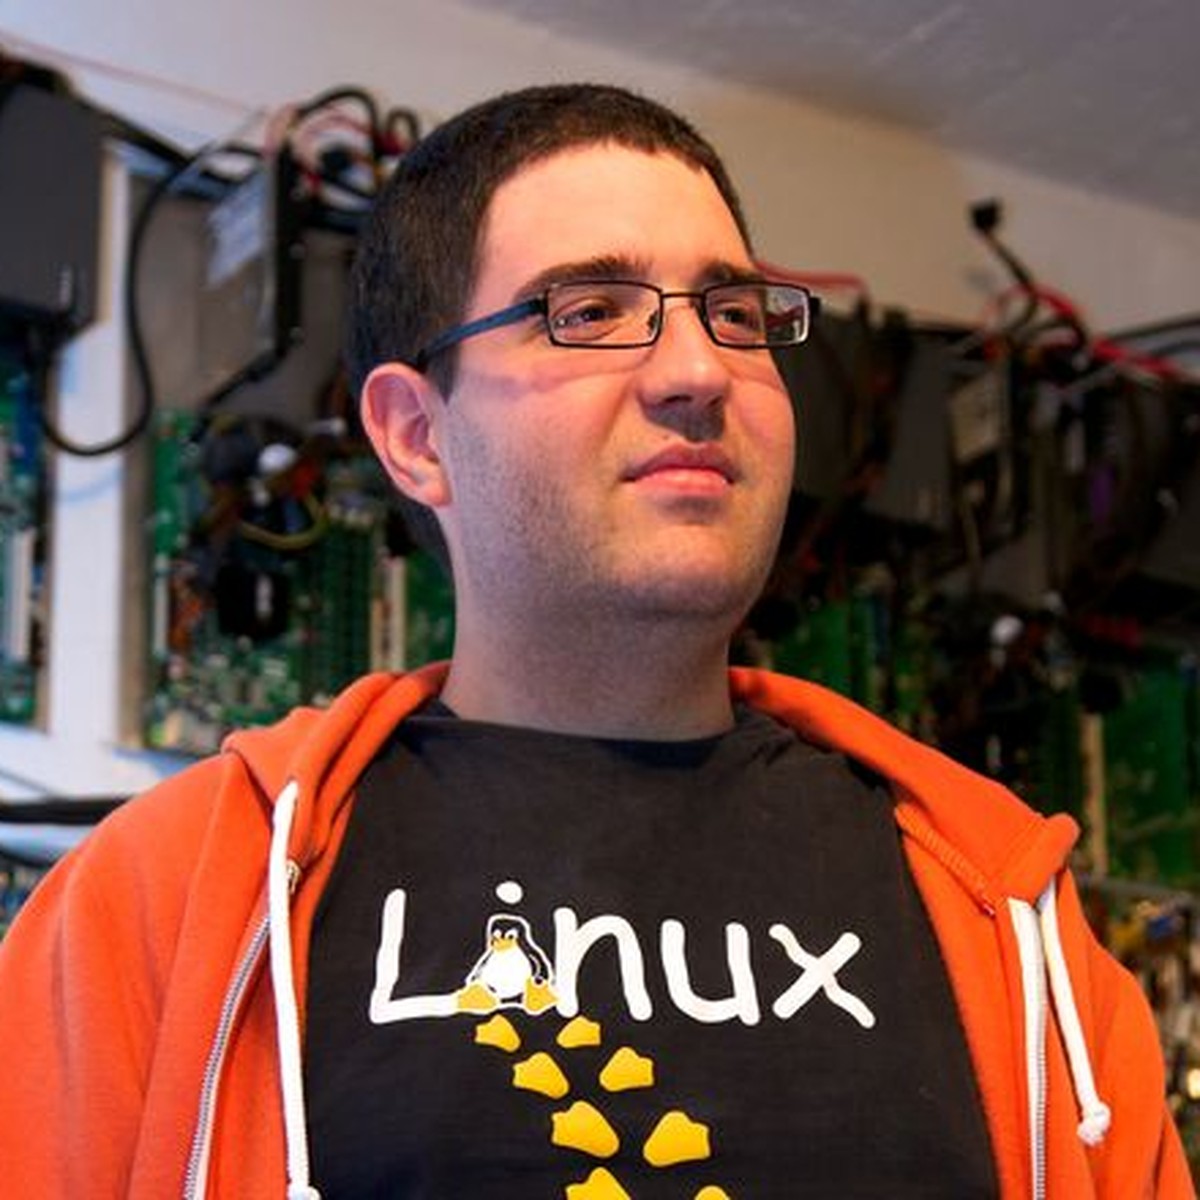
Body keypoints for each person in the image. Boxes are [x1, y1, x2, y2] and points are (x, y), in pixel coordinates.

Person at [0, 83, 1190, 1200]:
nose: (698, 370)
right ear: (416, 435)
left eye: (735, 314)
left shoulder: (1019, 933)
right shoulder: (159, 908)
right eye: (589, 313)